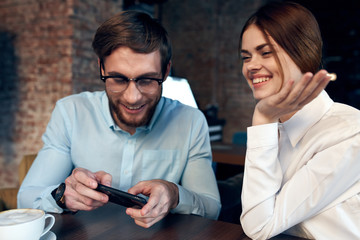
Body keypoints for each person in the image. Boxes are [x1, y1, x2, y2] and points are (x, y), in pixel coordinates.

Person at [17, 10, 221, 228]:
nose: (132, 97)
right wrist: (62, 196)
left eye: (147, 80)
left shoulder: (191, 122)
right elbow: (26, 198)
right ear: (101, 68)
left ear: (165, 71)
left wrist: (174, 194)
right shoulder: (71, 112)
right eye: (118, 79)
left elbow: (211, 208)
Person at [239, 1, 360, 239]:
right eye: (246, 57)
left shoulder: (350, 133)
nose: (251, 66)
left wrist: (262, 118)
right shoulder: (274, 128)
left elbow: (259, 227)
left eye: (266, 53)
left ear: (304, 53)